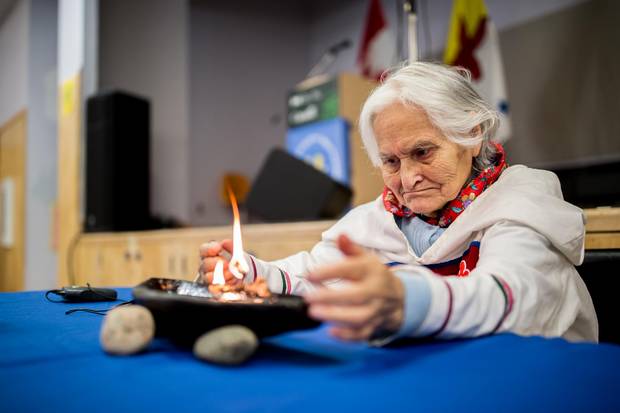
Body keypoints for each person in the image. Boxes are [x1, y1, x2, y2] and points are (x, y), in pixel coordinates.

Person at [199, 62, 598, 344]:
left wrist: (410, 300)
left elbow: (511, 299)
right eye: (391, 161)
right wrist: (246, 271)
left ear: (472, 135)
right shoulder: (375, 220)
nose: (407, 180)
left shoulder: (521, 199)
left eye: (423, 152)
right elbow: (310, 277)